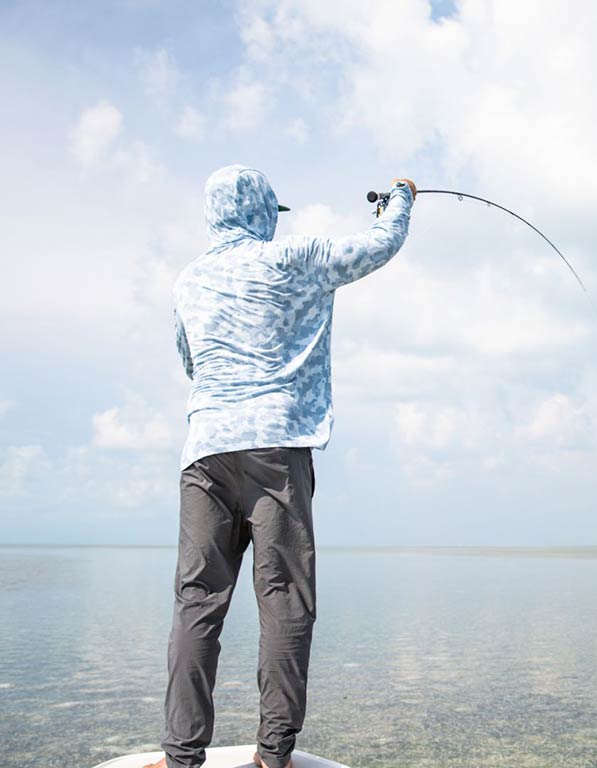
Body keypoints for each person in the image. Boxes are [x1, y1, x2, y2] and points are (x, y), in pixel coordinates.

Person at [145, 165, 416, 768]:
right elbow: (380, 245)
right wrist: (401, 197)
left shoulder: (187, 281)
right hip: (274, 449)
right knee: (285, 602)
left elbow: (192, 363)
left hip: (206, 452)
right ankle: (274, 756)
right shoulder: (291, 258)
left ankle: (180, 756)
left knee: (197, 604)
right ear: (264, 211)